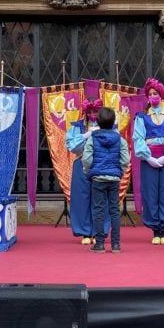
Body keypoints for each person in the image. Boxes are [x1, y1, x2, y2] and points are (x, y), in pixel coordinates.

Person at [132, 78, 164, 245]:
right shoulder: (141, 117)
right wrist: (148, 158)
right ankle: (155, 230)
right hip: (149, 160)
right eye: (150, 94)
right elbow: (138, 139)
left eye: (156, 94)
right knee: (150, 193)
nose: (153, 96)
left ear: (161, 96)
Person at [82, 107, 130, 253]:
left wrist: (87, 172)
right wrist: (119, 172)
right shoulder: (120, 139)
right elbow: (126, 160)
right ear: (114, 121)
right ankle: (116, 244)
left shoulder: (92, 138)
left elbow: (86, 159)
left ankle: (100, 243)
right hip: (114, 178)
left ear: (98, 121)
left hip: (97, 178)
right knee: (114, 210)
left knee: (98, 210)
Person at [65, 99, 105, 244]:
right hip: (81, 164)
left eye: (95, 111)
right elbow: (72, 146)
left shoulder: (107, 126)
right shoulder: (77, 127)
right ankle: (85, 233)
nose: (93, 114)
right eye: (90, 112)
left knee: (100, 198)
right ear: (86, 112)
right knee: (81, 198)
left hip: (100, 164)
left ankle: (98, 231)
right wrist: (87, 135)